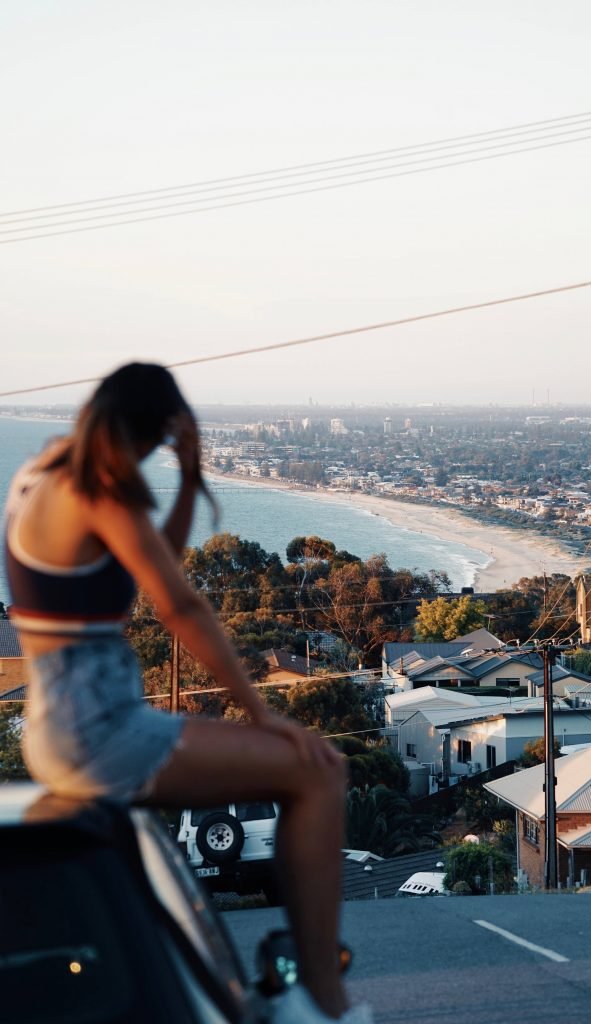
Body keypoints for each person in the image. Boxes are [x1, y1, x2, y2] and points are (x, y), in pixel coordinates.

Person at [3, 363, 372, 1024]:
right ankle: (320, 1001)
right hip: (101, 734)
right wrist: (263, 716)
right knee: (318, 770)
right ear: (146, 434)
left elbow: (155, 561)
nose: (145, 463)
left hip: (62, 729)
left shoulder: (42, 473)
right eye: (149, 451)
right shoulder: (97, 492)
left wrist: (191, 480)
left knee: (309, 769)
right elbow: (181, 604)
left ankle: (312, 993)